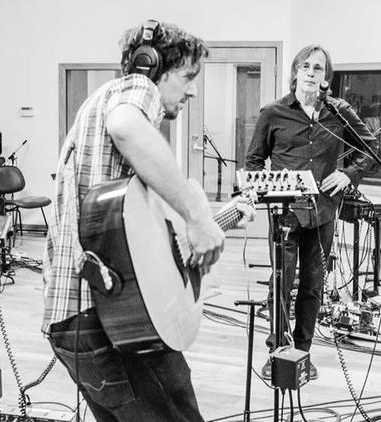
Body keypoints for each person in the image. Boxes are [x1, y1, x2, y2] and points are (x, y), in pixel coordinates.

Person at [42, 20, 252, 421]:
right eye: (187, 77)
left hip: (78, 323)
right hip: (112, 324)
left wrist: (214, 221)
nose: (192, 90)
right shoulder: (137, 88)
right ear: (151, 65)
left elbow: (143, 243)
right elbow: (126, 126)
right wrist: (197, 215)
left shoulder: (99, 116)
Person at [245, 44, 377, 380]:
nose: (310, 72)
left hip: (323, 213)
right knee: (281, 283)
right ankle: (278, 353)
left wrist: (349, 174)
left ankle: (302, 353)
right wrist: (265, 189)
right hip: (285, 215)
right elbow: (254, 161)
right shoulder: (273, 112)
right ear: (295, 72)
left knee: (313, 285)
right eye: (305, 66)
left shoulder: (339, 112)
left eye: (318, 68)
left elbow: (370, 146)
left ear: (325, 77)